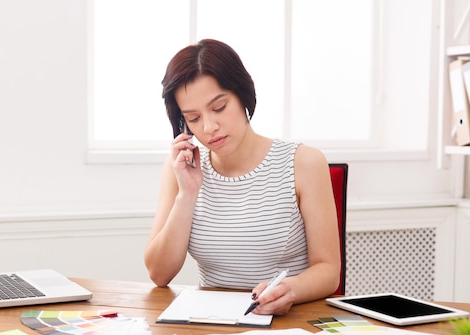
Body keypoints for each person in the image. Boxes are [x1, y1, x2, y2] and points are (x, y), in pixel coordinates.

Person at [144, 39, 341, 316]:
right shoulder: (180, 167)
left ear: (242, 94)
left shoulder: (304, 162)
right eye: (194, 118)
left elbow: (328, 270)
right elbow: (159, 274)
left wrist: (291, 290)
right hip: (210, 322)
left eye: (219, 107)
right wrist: (187, 194)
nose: (210, 127)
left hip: (289, 321)